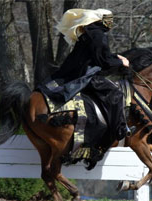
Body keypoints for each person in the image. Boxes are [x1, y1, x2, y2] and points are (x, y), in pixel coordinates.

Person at [37, 8, 135, 147]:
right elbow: (103, 62)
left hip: (74, 72)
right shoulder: (99, 35)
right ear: (102, 21)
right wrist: (121, 62)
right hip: (85, 76)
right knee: (116, 94)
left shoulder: (88, 33)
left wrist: (115, 57)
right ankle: (120, 129)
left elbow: (99, 56)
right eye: (109, 20)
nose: (111, 23)